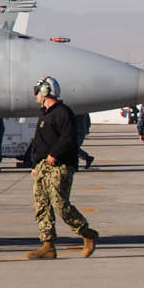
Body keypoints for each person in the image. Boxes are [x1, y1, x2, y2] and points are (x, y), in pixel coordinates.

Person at [22, 76, 100, 259]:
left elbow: (69, 138)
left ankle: (87, 234)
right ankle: (47, 245)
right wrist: (35, 164)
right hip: (43, 166)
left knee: (60, 205)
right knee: (41, 205)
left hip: (60, 166)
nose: (36, 96)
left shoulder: (63, 113)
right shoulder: (44, 114)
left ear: (45, 92)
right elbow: (39, 143)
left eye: (38, 92)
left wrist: (54, 154)